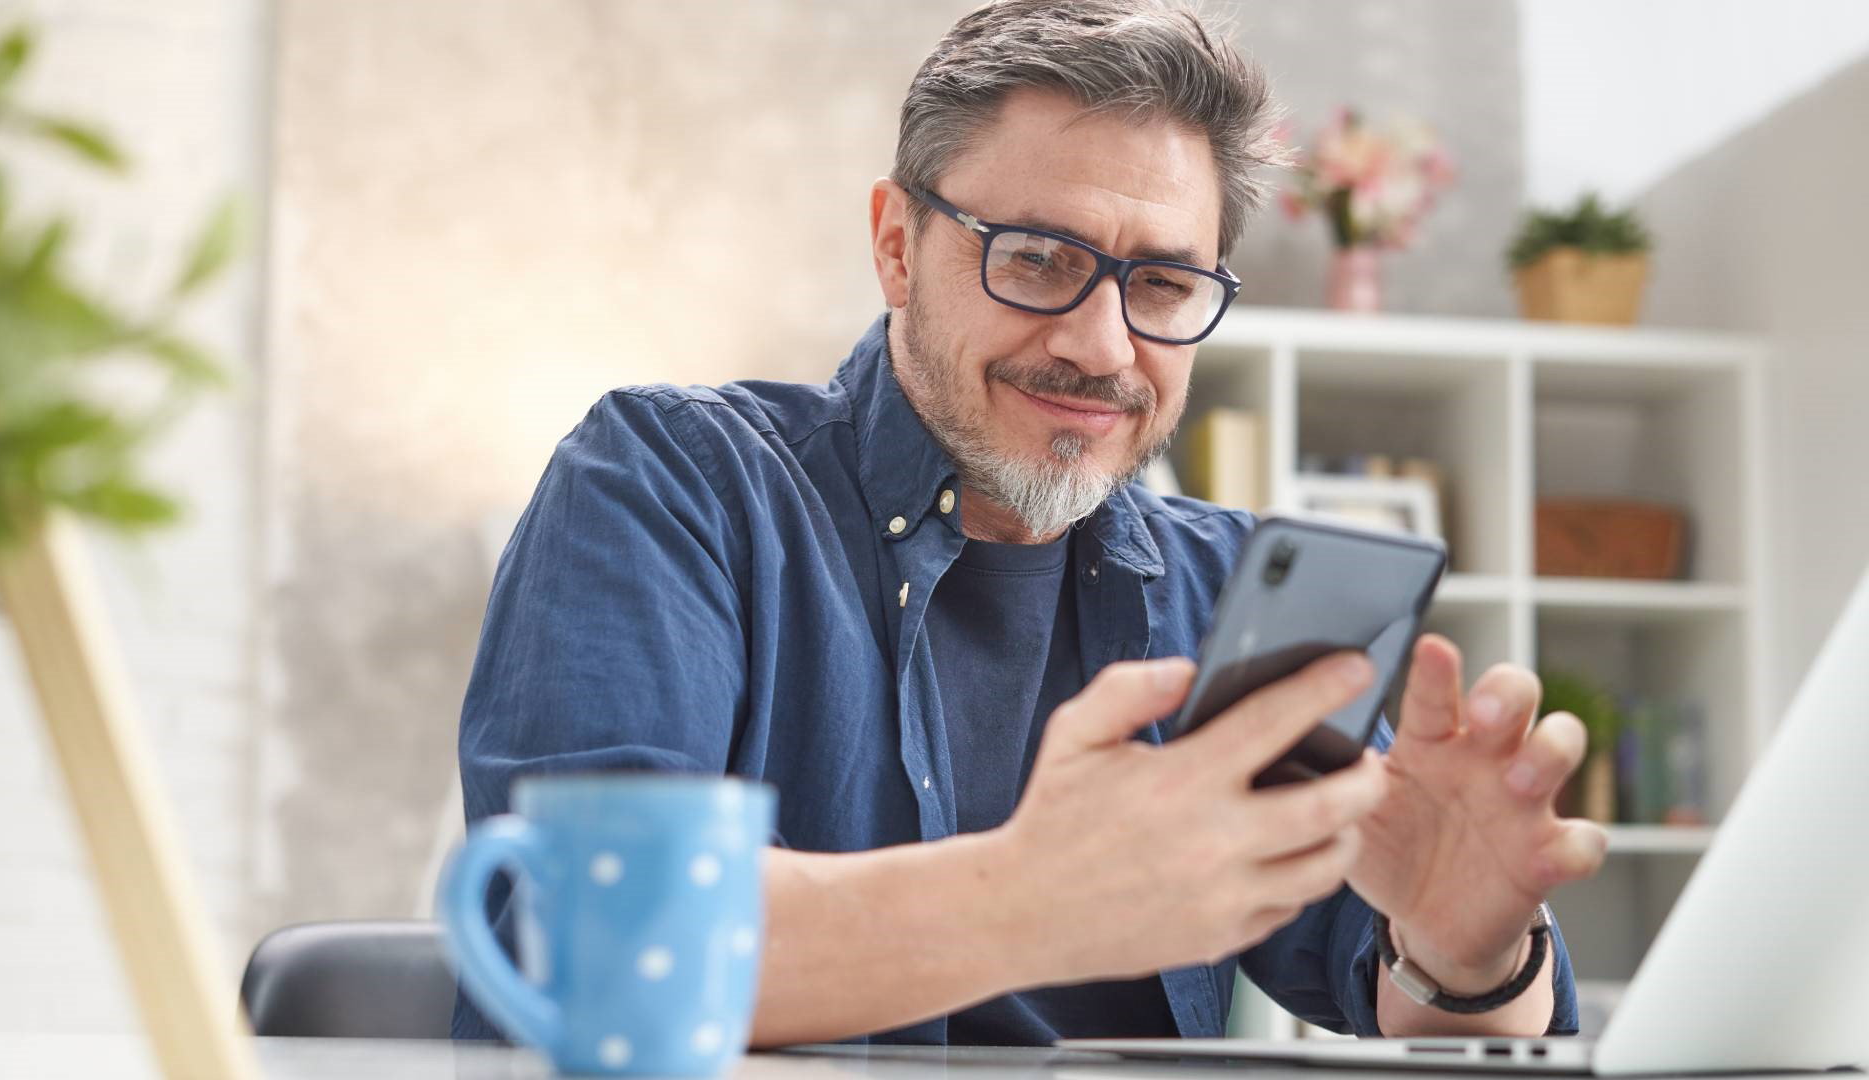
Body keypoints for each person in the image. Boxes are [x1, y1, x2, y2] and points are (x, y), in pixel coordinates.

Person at [455, 0, 1606, 1048]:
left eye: (1161, 286)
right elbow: (592, 945)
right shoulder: (674, 484)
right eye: (1040, 260)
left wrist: (1466, 950)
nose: (1103, 347)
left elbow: (1400, 993)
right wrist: (1036, 898)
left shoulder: (1223, 587)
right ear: (898, 246)